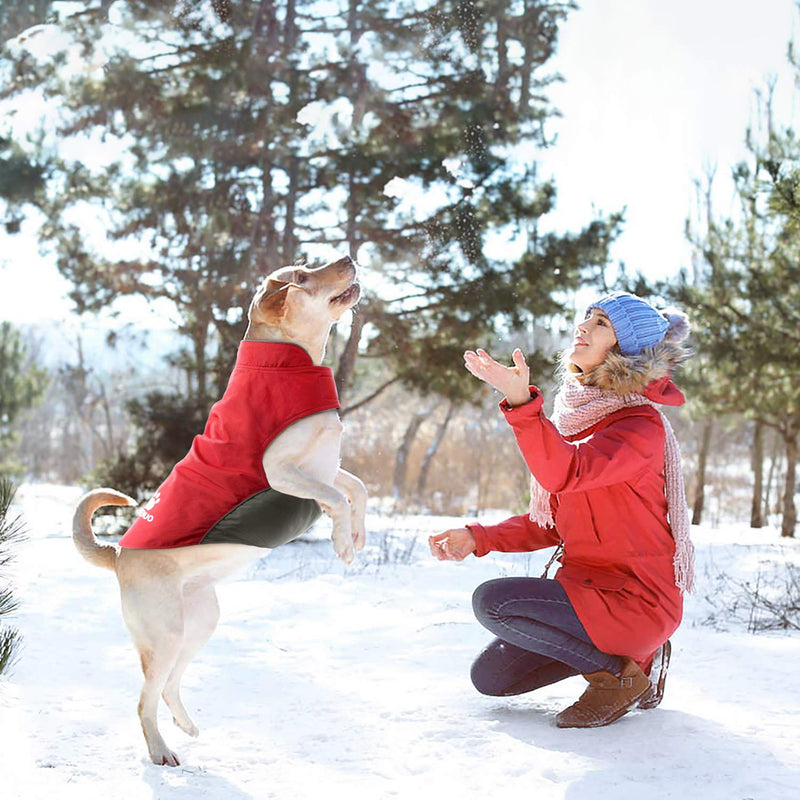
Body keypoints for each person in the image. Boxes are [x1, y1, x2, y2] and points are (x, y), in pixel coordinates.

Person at [429, 291, 693, 728]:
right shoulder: (577, 419)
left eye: (601, 323)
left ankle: (619, 675)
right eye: (587, 317)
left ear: (625, 350)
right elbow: (549, 524)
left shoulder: (639, 428)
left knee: (494, 602)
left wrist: (521, 405)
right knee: (491, 678)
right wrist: (478, 537)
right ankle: (628, 662)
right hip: (586, 591)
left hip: (635, 601)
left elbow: (564, 473)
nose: (584, 327)